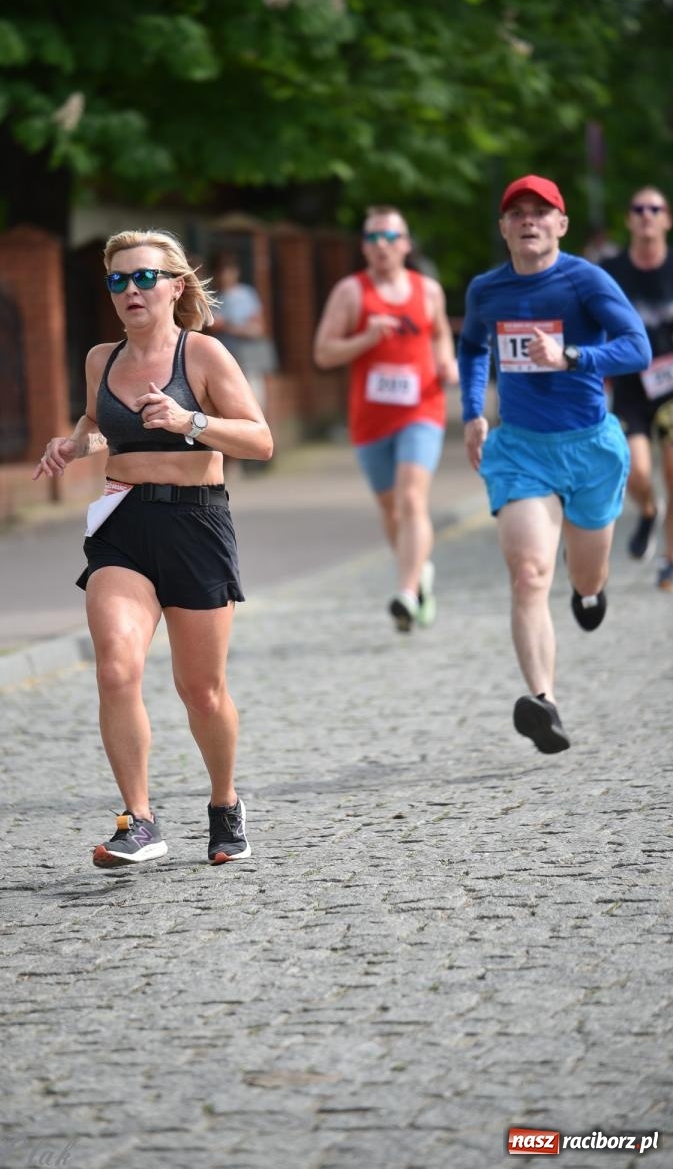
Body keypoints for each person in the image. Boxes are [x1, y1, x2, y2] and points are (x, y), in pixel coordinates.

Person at [33, 228, 273, 867]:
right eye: (118, 280)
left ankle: (224, 803)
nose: (131, 290)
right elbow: (96, 422)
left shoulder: (204, 357)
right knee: (114, 668)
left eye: (144, 278)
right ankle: (139, 821)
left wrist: (188, 421)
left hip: (197, 526)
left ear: (175, 286)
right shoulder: (99, 360)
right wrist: (74, 442)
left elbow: (260, 440)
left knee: (202, 691)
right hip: (124, 525)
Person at [458, 174, 651, 754]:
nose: (529, 221)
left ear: (560, 224)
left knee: (585, 575)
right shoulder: (486, 290)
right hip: (520, 451)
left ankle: (590, 593)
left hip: (590, 446)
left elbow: (636, 347)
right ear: (504, 227)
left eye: (541, 212)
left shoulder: (585, 280)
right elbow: (471, 347)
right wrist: (472, 412)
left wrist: (571, 355)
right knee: (529, 573)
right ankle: (544, 701)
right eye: (517, 212)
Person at [312, 205, 458, 633]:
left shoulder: (428, 290)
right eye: (373, 238)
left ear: (406, 245)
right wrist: (366, 338)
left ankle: (406, 592)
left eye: (390, 238)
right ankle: (419, 574)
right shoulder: (350, 293)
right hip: (371, 419)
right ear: (364, 247)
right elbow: (323, 353)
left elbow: (440, 334)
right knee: (392, 509)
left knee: (413, 499)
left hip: (422, 410)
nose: (381, 246)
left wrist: (446, 362)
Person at [600, 187, 673, 589]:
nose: (647, 215)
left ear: (667, 219)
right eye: (638, 209)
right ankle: (648, 510)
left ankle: (670, 560)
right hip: (630, 389)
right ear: (629, 219)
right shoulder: (610, 271)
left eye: (655, 209)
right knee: (636, 471)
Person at [209, 249, 277, 433]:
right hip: (225, 358)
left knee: (257, 400)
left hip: (250, 358)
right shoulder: (212, 297)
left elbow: (258, 327)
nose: (225, 275)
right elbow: (213, 325)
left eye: (228, 269)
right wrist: (241, 328)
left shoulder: (247, 294)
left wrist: (230, 326)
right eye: (221, 270)